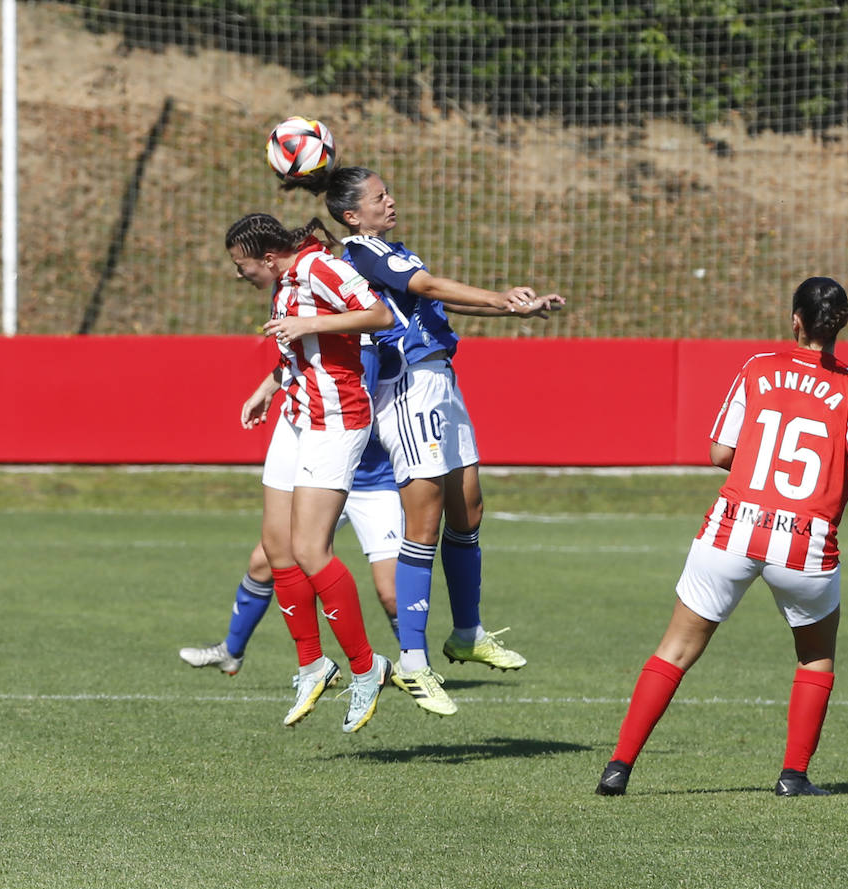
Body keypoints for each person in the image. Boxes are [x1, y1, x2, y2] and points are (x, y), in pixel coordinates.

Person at [283, 165, 564, 716]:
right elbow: (428, 287)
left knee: (469, 510)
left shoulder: (393, 250)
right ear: (351, 215)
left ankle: (467, 632)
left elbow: (433, 299)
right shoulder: (362, 251)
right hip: (408, 385)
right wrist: (502, 296)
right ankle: (412, 662)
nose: (390, 202)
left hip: (442, 380)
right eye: (379, 197)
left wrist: (512, 308)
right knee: (425, 520)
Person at [595, 277, 848, 797]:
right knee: (815, 657)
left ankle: (619, 766)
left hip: (732, 529)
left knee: (675, 650)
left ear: (795, 320)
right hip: (805, 540)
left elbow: (720, 454)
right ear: (842, 323)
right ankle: (793, 776)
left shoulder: (758, 368)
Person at [226, 211, 396, 734]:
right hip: (296, 415)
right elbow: (301, 353)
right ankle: (313, 664)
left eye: (242, 266)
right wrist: (267, 386)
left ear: (269, 257)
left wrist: (312, 323)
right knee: (277, 547)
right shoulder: (285, 281)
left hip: (337, 418)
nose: (240, 275)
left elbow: (381, 316)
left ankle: (368, 668)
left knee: (310, 550)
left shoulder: (322, 268)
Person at [176, 434, 402, 677]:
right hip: (323, 485)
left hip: (377, 485)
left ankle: (416, 667)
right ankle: (231, 652)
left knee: (391, 593)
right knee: (262, 563)